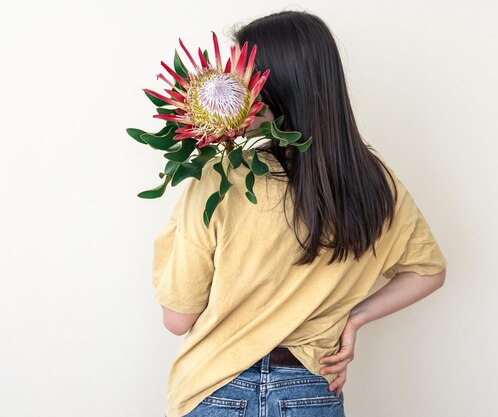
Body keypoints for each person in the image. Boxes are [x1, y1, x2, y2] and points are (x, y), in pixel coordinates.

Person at [152, 9, 448, 417]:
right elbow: (428, 270)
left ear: (275, 88)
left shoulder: (220, 182)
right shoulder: (376, 183)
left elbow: (177, 319)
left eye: (244, 77)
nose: (236, 90)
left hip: (216, 388)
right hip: (311, 386)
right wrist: (352, 319)